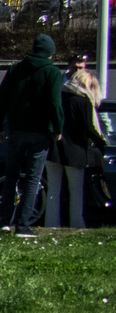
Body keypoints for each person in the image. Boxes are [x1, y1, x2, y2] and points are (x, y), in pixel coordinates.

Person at [0, 33, 66, 236]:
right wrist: (58, 129)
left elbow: (0, 101)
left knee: (11, 175)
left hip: (16, 130)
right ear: (51, 53)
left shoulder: (16, 69)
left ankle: (3, 222)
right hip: (40, 132)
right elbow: (55, 104)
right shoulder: (52, 72)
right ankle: (23, 225)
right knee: (33, 178)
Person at [50, 64, 105, 228]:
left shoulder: (59, 98)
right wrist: (102, 143)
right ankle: (77, 224)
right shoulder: (83, 101)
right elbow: (89, 128)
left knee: (53, 191)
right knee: (76, 191)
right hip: (75, 151)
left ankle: (51, 224)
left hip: (54, 149)